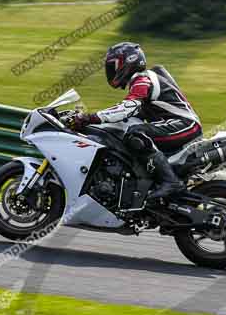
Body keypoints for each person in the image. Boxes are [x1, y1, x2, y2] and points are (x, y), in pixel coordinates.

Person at [70, 42, 202, 199]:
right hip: (175, 124)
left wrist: (90, 118)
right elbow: (128, 116)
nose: (111, 71)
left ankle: (170, 182)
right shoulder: (142, 81)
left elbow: (127, 108)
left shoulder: (142, 80)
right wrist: (91, 122)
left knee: (136, 134)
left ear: (128, 61)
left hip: (184, 124)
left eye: (114, 66)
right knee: (128, 131)